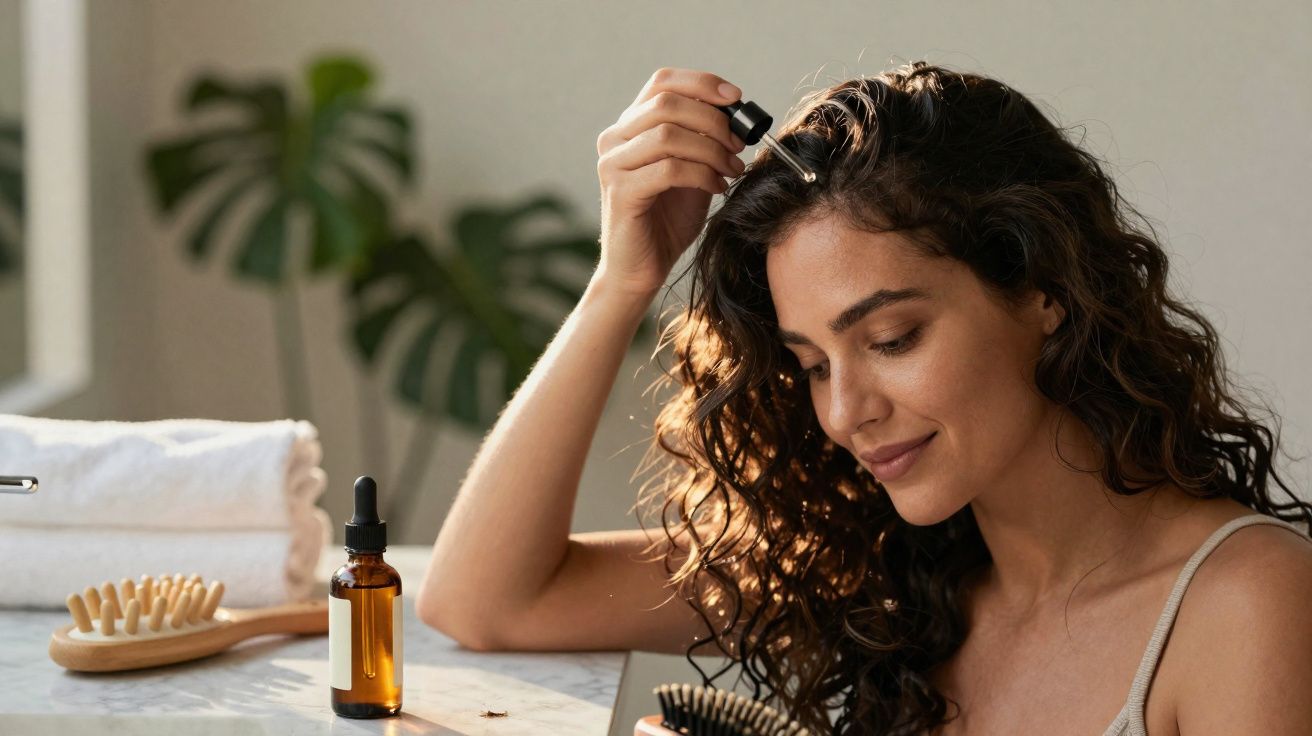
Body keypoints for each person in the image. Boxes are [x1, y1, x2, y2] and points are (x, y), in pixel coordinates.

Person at [414, 62, 1312, 735]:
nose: (846, 412)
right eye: (811, 364)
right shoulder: (881, 569)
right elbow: (488, 601)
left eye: (891, 340)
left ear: (1046, 290)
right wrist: (622, 281)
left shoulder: (1242, 603)